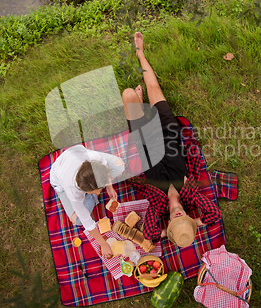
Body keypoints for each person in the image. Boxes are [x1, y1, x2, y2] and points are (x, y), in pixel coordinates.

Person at [122, 32, 222, 248]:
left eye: (176, 220)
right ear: (188, 213)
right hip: (169, 133)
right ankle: (141, 54)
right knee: (155, 89)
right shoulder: (190, 194)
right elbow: (214, 214)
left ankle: (139, 105)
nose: (179, 214)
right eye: (184, 216)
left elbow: (150, 233)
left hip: (146, 141)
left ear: (169, 221)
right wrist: (194, 224)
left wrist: (170, 232)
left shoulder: (157, 205)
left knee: (128, 94)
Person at [50, 145, 124, 259]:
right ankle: (91, 198)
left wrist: (109, 186)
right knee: (77, 219)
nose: (100, 192)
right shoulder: (73, 192)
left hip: (75, 157)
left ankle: (92, 196)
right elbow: (87, 222)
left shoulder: (94, 158)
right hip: (59, 180)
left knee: (120, 165)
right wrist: (103, 244)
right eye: (97, 191)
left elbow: (104, 165)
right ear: (84, 191)